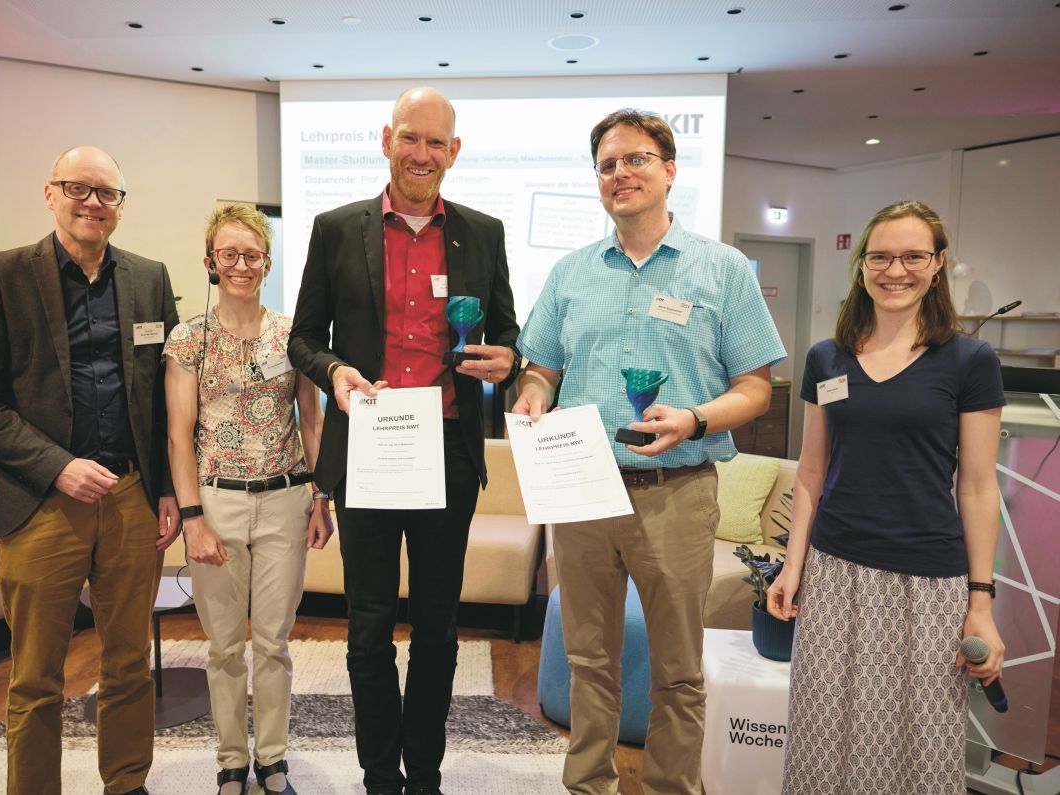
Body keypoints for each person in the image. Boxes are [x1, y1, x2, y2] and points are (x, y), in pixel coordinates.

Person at [512, 108, 785, 795]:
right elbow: (539, 364)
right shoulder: (571, 273)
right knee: (589, 658)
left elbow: (757, 387)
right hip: (582, 491)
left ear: (668, 170)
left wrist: (694, 418)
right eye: (607, 165)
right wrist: (535, 391)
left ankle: (670, 788)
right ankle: (588, 785)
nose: (619, 174)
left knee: (678, 669)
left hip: (678, 490)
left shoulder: (721, 269)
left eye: (635, 159)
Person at [287, 86, 520, 795]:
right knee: (367, 626)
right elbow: (302, 338)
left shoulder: (483, 231)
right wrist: (336, 372)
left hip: (447, 450)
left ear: (455, 150)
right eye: (410, 138)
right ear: (386, 138)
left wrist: (506, 359)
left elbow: (506, 332)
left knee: (439, 629)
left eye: (437, 142)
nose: (423, 154)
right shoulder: (335, 227)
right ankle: (378, 774)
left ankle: (425, 774)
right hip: (369, 448)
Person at [0, 146, 180, 795]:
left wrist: (167, 489)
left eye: (107, 193)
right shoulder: (1, 275)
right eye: (79, 188)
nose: (93, 203)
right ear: (50, 192)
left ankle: (127, 782)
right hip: (38, 503)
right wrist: (58, 467)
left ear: (121, 207)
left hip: (132, 497)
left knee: (131, 661)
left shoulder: (148, 277)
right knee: (35, 674)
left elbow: (167, 390)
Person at [767, 200, 1005, 794]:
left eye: (912, 256)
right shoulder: (829, 356)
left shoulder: (970, 361)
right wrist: (792, 566)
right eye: (880, 256)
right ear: (862, 265)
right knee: (824, 737)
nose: (895, 270)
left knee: (918, 745)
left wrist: (982, 601)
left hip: (928, 582)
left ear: (938, 264)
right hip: (836, 571)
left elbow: (977, 487)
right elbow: (811, 471)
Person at [163, 205, 332, 795]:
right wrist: (192, 521)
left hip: (286, 499)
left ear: (267, 261)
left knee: (274, 642)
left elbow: (310, 420)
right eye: (228, 254)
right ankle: (232, 759)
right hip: (217, 504)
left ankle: (274, 759)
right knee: (225, 645)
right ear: (210, 262)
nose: (241, 265)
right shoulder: (188, 337)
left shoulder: (293, 335)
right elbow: (177, 435)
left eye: (252, 254)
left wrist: (322, 497)